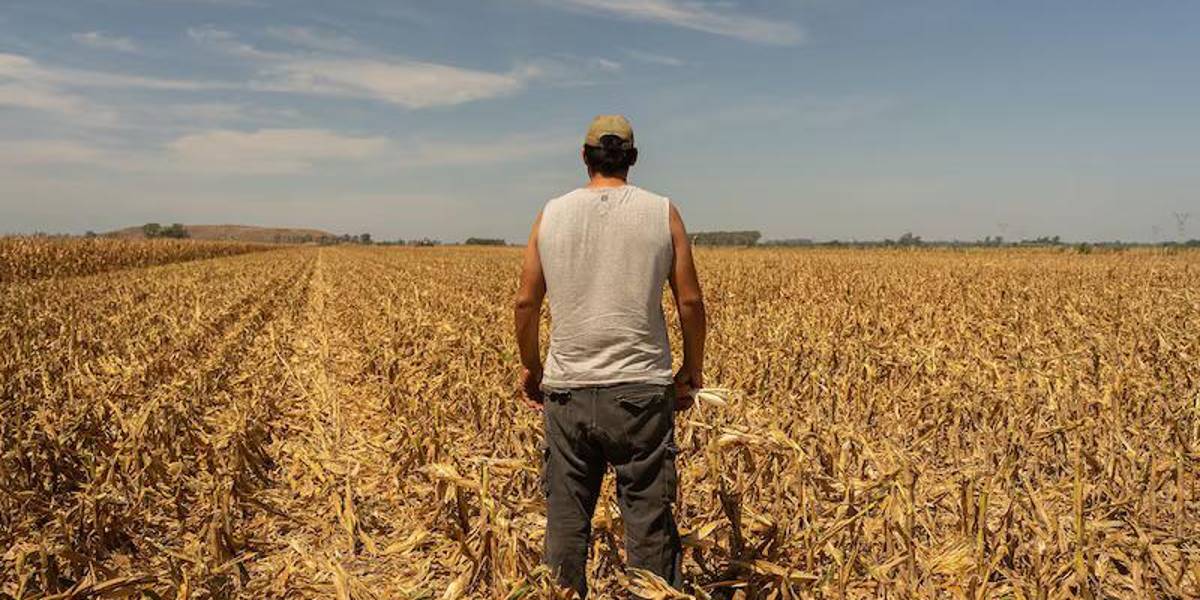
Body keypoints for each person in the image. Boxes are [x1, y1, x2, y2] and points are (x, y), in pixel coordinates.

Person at [513, 114, 707, 597]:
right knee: (648, 522)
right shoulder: (662, 212)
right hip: (641, 392)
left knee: (565, 521)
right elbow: (690, 302)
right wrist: (691, 370)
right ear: (633, 159)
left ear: (584, 157)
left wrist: (534, 368)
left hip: (567, 391)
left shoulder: (550, 214)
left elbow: (525, 302)